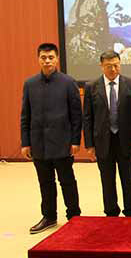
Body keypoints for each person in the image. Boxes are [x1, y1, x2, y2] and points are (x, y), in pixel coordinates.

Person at [20, 43, 82, 234]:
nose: (47, 61)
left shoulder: (68, 82)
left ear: (57, 59)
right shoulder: (30, 84)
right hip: (38, 143)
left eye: (51, 57)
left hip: (62, 142)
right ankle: (49, 216)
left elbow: (76, 115)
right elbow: (25, 115)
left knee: (67, 181)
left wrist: (75, 141)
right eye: (43, 57)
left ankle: (74, 216)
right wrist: (25, 142)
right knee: (45, 182)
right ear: (38, 59)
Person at [83, 50, 131, 217]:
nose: (113, 69)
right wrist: (89, 145)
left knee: (128, 179)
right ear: (101, 66)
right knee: (107, 180)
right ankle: (111, 212)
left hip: (126, 140)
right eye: (109, 66)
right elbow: (87, 117)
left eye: (116, 65)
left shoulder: (130, 84)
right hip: (103, 141)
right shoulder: (91, 87)